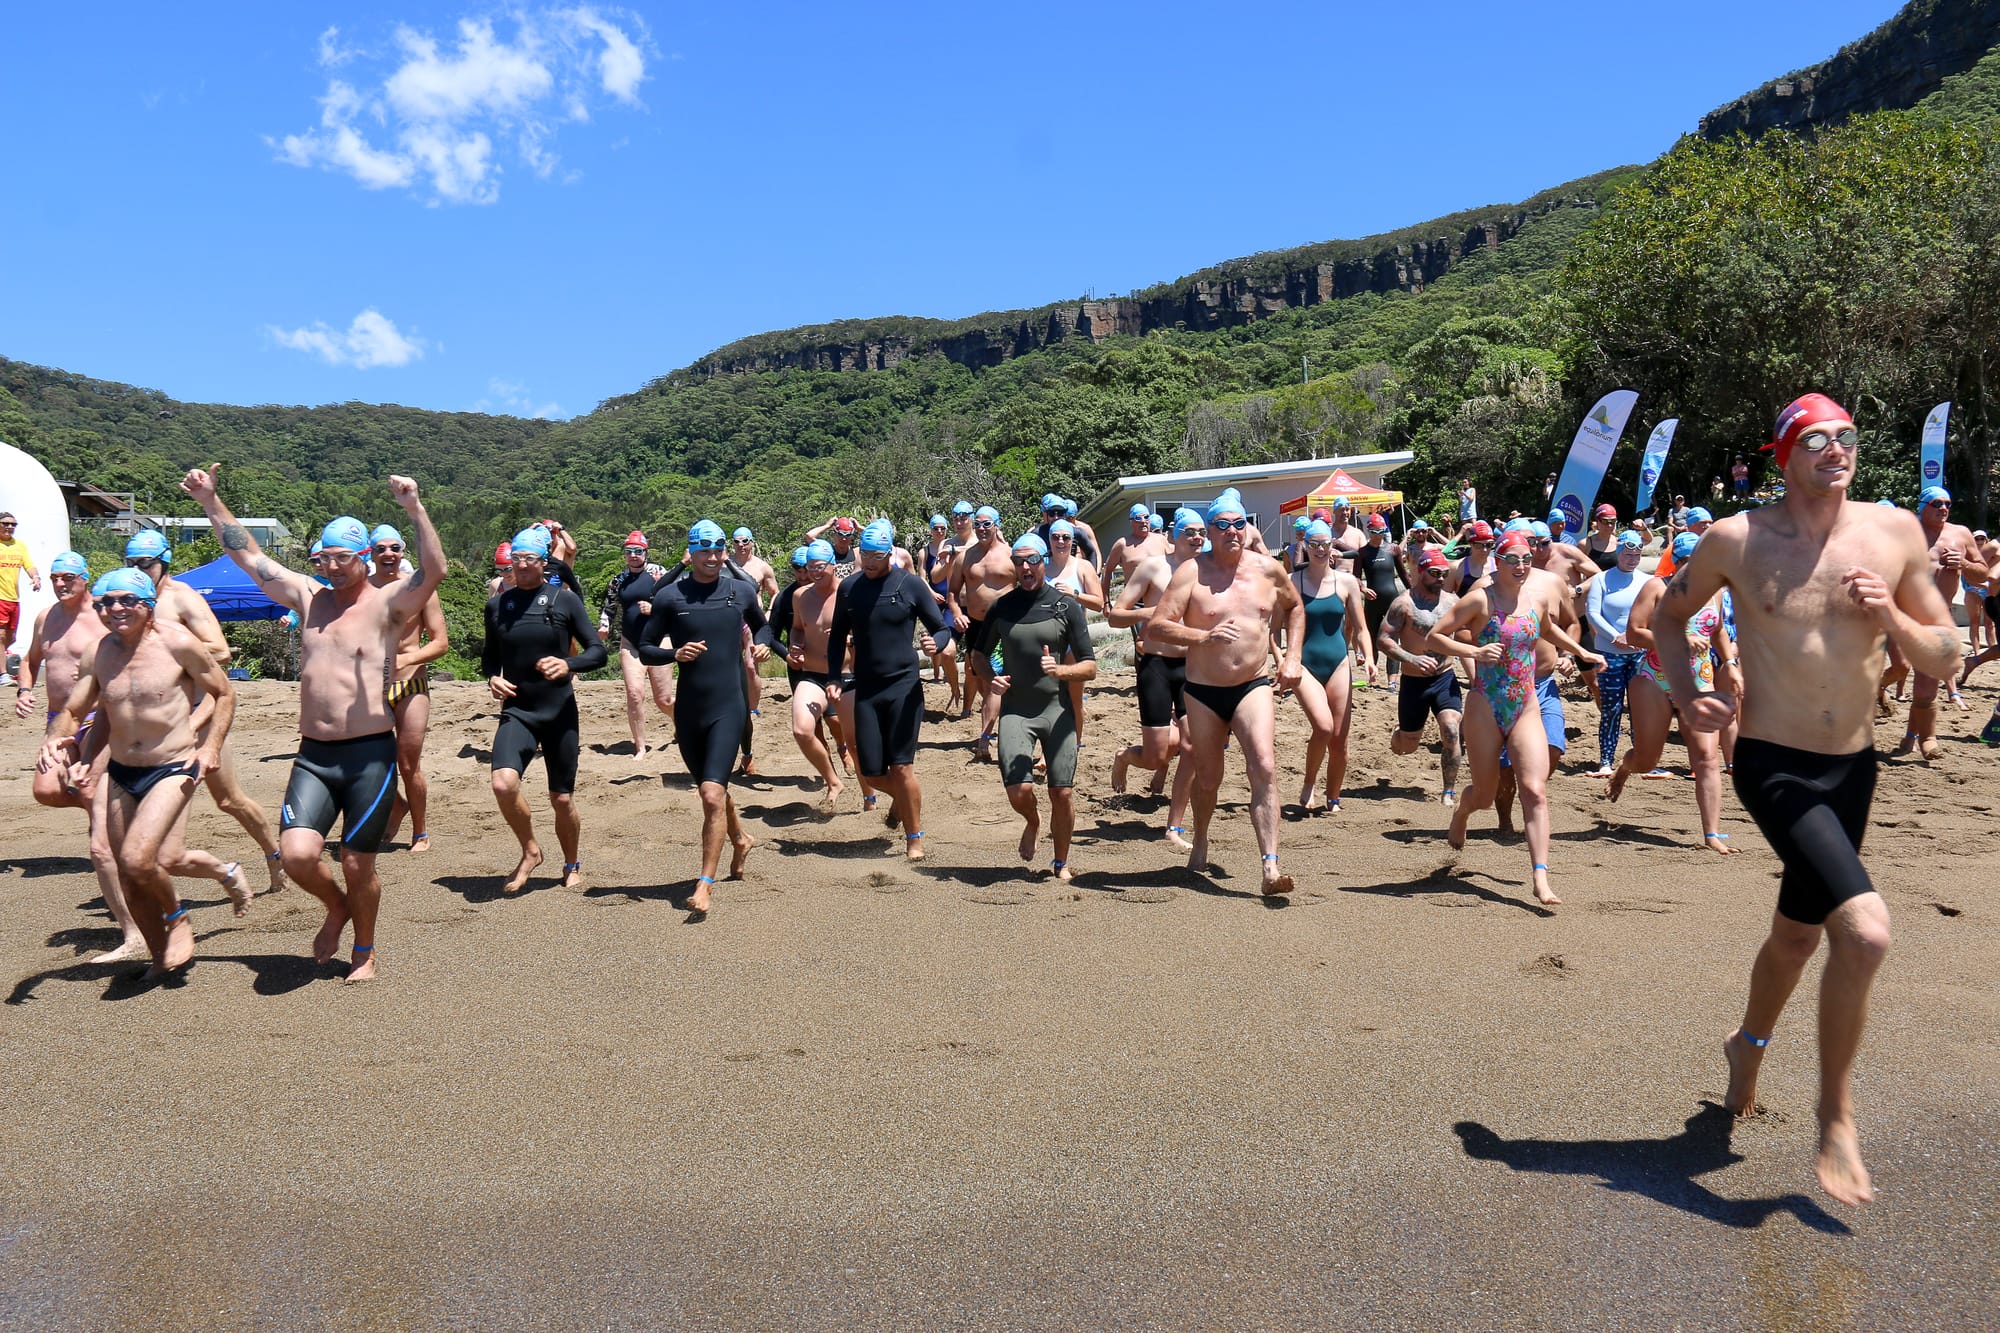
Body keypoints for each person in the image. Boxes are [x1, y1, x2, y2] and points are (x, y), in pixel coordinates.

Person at [1656, 392, 1957, 1206]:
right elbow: (1664, 617)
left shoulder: (1894, 532)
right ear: (1783, 455)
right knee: (1863, 933)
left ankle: (1746, 1043)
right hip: (1772, 762)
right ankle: (1836, 1114)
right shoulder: (1736, 539)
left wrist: (1891, 613)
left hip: (1853, 769)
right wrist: (1688, 699)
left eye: (1847, 437)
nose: (1836, 449)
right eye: (1816, 439)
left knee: (1796, 936)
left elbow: (1948, 651)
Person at [186, 470, 446, 981]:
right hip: (314, 753)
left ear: (363, 559)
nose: (330, 567)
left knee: (356, 862)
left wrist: (414, 507)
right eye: (322, 558)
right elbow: (248, 555)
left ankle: (365, 949)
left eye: (340, 558)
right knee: (298, 854)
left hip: (369, 752)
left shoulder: (387, 604)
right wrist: (210, 500)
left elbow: (432, 569)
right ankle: (338, 908)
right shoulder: (309, 596)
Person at [39, 568, 243, 981]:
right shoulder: (100, 652)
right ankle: (157, 956)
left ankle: (178, 916)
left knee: (137, 857)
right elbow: (76, 710)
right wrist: (55, 739)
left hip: (172, 766)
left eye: (126, 600)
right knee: (131, 877)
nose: (115, 609)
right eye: (105, 602)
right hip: (122, 771)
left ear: (148, 605)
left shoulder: (177, 643)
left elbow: (224, 692)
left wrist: (211, 747)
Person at [1426, 531, 1604, 907]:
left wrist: (1582, 653)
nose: (1522, 566)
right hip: (1485, 706)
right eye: (1513, 560)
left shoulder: (1534, 598)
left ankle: (1541, 877)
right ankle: (1462, 812)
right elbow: (1435, 637)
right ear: (1499, 562)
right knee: (1485, 796)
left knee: (1535, 790)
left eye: (1526, 559)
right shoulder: (1479, 599)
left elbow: (1548, 629)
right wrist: (1474, 649)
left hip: (1524, 704)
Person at [1149, 494, 1305, 895]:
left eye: (1239, 524)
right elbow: (1158, 626)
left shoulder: (1268, 570)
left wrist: (1292, 657)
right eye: (1222, 525)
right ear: (1210, 532)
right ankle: (1200, 839)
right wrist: (1204, 635)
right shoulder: (1190, 573)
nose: (1231, 532)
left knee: (1265, 766)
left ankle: (1270, 866)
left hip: (1253, 684)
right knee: (1209, 778)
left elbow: (1296, 608)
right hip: (1202, 692)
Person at [124, 529, 287, 894]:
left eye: (145, 564)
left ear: (163, 563)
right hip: (157, 722)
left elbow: (221, 650)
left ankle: (275, 857)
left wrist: (172, 660)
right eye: (131, 563)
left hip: (200, 712)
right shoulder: (130, 602)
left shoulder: (182, 599)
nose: (137, 570)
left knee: (229, 800)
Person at [20, 553, 157, 962]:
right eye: (54, 576)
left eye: (67, 577)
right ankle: (117, 814)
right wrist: (25, 690)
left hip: (99, 722)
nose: (60, 583)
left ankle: (133, 932)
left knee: (100, 846)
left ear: (84, 580)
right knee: (45, 789)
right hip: (58, 721)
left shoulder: (102, 616)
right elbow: (30, 662)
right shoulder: (46, 618)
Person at [637, 520, 773, 912]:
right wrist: (672, 655)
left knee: (711, 794)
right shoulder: (670, 597)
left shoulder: (741, 591)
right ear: (691, 553)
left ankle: (705, 884)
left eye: (718, 551)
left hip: (729, 706)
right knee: (712, 791)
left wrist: (762, 647)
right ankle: (741, 839)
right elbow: (645, 647)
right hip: (691, 709)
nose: (713, 558)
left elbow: (764, 630)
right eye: (704, 551)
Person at [483, 524, 606, 896]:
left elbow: (597, 651)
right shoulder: (497, 605)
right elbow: (489, 659)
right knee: (503, 784)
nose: (519, 566)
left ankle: (571, 862)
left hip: (558, 711)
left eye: (528, 559)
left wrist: (569, 665)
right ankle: (530, 850)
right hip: (518, 709)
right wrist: (492, 679)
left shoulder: (563, 600)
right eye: (514, 560)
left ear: (543, 562)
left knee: (562, 798)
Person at [1604, 531, 1738, 850]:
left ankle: (1712, 835)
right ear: (1674, 563)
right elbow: (1634, 633)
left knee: (1706, 757)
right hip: (1656, 679)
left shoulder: (1714, 591)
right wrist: (1677, 641)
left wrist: (1730, 663)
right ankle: (1625, 768)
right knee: (1647, 760)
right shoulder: (1656, 588)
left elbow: (1717, 629)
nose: (1693, 570)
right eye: (1686, 563)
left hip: (1700, 680)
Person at [827, 521, 945, 860]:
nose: (869, 561)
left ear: (890, 554)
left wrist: (934, 644)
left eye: (876, 556)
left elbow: (941, 628)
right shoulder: (849, 588)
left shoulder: (910, 585)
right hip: (867, 686)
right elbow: (836, 637)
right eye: (864, 554)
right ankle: (903, 802)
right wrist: (834, 677)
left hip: (904, 687)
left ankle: (914, 837)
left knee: (902, 767)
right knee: (872, 772)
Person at [985, 533, 1097, 878]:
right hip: (1017, 709)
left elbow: (1090, 667)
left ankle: (1061, 863)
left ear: (1043, 562)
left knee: (1061, 792)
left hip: (1057, 709)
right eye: (1018, 561)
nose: (1025, 567)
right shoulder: (1002, 606)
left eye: (1032, 560)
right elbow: (977, 653)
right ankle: (1032, 821)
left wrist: (1060, 670)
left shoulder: (1067, 607)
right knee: (1019, 790)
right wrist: (991, 675)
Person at [1107, 510, 1205, 841]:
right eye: (1189, 531)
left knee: (1192, 746)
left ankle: (1174, 825)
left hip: (1193, 667)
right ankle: (1124, 757)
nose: (1197, 537)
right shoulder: (1153, 567)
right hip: (1157, 665)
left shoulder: (1209, 571)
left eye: (1202, 531)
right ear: (1173, 535)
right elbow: (1116, 616)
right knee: (1156, 756)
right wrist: (1157, 612)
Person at [368, 524, 449, 852]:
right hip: (369, 686)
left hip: (411, 683)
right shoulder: (360, 590)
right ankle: (396, 805)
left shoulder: (420, 589)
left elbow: (440, 642)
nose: (388, 554)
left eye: (394, 548)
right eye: (381, 549)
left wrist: (407, 659)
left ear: (402, 552)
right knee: (370, 762)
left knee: (407, 762)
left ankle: (420, 831)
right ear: (371, 554)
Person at [1287, 519, 1376, 813]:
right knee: (1323, 728)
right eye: (1314, 545)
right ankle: (1309, 783)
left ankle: (1333, 797)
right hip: (1306, 664)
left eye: (1326, 544)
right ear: (1306, 547)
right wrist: (1281, 659)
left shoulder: (1347, 582)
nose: (1321, 549)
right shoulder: (1292, 581)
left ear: (1333, 547)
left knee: (1339, 740)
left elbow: (1361, 629)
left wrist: (1370, 659)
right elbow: (1274, 627)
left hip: (1338, 662)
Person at [1893, 486, 1987, 759]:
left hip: (1939, 617)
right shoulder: (1906, 533)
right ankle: (1907, 730)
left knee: (1927, 681)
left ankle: (1923, 738)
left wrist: (1964, 565)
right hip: (1903, 614)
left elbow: (1981, 573)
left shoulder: (1960, 533)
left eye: (1947, 503)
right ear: (1922, 506)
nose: (1943, 508)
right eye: (1936, 503)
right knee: (1900, 669)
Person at [1378, 549, 1464, 806]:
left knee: (1450, 729)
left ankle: (1448, 791)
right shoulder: (1403, 604)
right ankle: (1400, 733)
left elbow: (1470, 631)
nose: (1440, 579)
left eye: (1444, 574)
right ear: (1420, 572)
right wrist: (1411, 658)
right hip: (1413, 682)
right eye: (1435, 573)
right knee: (1407, 746)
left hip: (1445, 678)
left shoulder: (1453, 601)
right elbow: (1383, 639)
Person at [771, 540, 850, 807]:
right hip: (810, 672)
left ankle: (868, 793)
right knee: (804, 729)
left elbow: (872, 631)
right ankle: (832, 781)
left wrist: (849, 638)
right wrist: (793, 647)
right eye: (806, 567)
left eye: (818, 567)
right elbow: (796, 628)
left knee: (845, 732)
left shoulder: (849, 592)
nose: (811, 572)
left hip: (845, 674)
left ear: (833, 566)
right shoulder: (796, 596)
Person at [947, 505, 1016, 762]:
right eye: (978, 524)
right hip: (976, 626)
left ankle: (990, 737)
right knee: (986, 681)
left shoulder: (1011, 555)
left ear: (997, 525)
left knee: (999, 683)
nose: (982, 528)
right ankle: (987, 736)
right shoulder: (966, 557)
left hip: (1005, 627)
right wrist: (956, 613)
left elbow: (1030, 585)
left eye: (987, 524)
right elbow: (952, 592)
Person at [599, 531, 675, 760]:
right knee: (634, 694)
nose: (633, 556)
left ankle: (680, 720)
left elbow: (675, 601)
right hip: (630, 642)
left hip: (659, 639)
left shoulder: (658, 573)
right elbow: (609, 607)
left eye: (638, 551)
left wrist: (655, 609)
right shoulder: (618, 580)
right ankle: (640, 746)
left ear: (646, 552)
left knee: (664, 700)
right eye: (629, 551)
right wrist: (603, 625)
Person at [1583, 531, 1649, 778]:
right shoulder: (1602, 579)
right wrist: (1616, 637)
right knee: (1611, 708)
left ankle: (1642, 758)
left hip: (1639, 653)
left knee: (1641, 708)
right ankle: (1606, 760)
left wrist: (1635, 638)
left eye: (1636, 554)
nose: (1632, 559)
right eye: (1627, 553)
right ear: (1618, 552)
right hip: (1610, 652)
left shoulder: (1646, 580)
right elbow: (1593, 613)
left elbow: (1655, 611)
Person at [1351, 513, 1403, 681]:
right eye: (1373, 532)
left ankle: (1392, 682)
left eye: (1380, 531)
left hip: (1391, 600)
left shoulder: (1393, 549)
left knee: (1392, 640)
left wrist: (1414, 592)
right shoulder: (1363, 553)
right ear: (1368, 531)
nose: (1377, 535)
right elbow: (1356, 577)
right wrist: (1363, 589)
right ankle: (1372, 675)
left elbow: (1404, 575)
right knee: (1371, 638)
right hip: (1372, 602)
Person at [0, 509, 41, 661]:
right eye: (5, 523)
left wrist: (36, 577)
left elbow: (29, 565)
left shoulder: (20, 546)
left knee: (11, 638)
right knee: (1, 636)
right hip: (0, 598)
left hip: (13, 599)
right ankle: (3, 675)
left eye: (13, 524)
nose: (10, 527)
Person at [1103, 503, 1166, 589]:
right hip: (1133, 599)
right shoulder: (1122, 544)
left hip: (1158, 598)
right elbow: (1107, 571)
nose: (1143, 521)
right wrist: (1106, 600)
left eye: (1146, 517)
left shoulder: (1161, 540)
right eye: (1138, 518)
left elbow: (1176, 562)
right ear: (1131, 522)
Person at [1449, 521, 1494, 595]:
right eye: (1479, 545)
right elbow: (1444, 601)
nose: (1484, 549)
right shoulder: (1455, 568)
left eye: (1489, 545)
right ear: (1470, 544)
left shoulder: (1499, 566)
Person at [1581, 504, 1621, 571]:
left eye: (1613, 521)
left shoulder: (1619, 542)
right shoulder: (1585, 544)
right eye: (1605, 521)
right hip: (1593, 581)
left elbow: (1644, 541)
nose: (1609, 525)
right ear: (1597, 522)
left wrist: (1643, 529)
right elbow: (1575, 568)